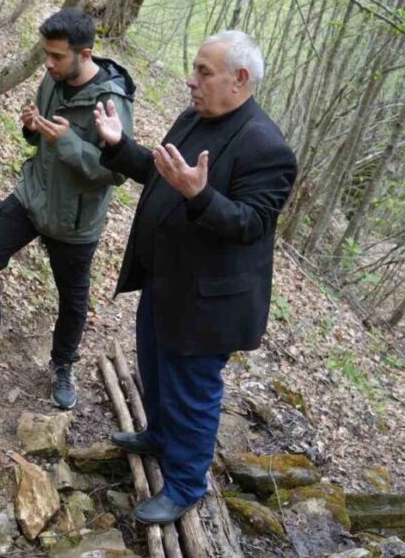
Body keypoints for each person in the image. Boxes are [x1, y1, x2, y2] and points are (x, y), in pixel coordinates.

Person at [93, 30, 297, 524]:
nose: (191, 80)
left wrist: (199, 196)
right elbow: (164, 171)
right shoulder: (195, 116)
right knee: (157, 369)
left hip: (209, 301)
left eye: (204, 72)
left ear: (240, 80)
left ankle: (185, 485)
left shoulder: (267, 147)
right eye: (195, 69)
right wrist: (121, 147)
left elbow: (249, 224)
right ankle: (159, 435)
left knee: (194, 390)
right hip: (165, 280)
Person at [0, 8, 135, 410]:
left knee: (72, 299)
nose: (48, 63)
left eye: (57, 56)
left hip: (74, 219)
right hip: (32, 196)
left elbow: (117, 172)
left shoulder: (111, 101)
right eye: (47, 53)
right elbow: (38, 140)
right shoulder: (52, 78)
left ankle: (62, 365)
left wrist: (67, 143)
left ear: (85, 53)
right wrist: (31, 127)